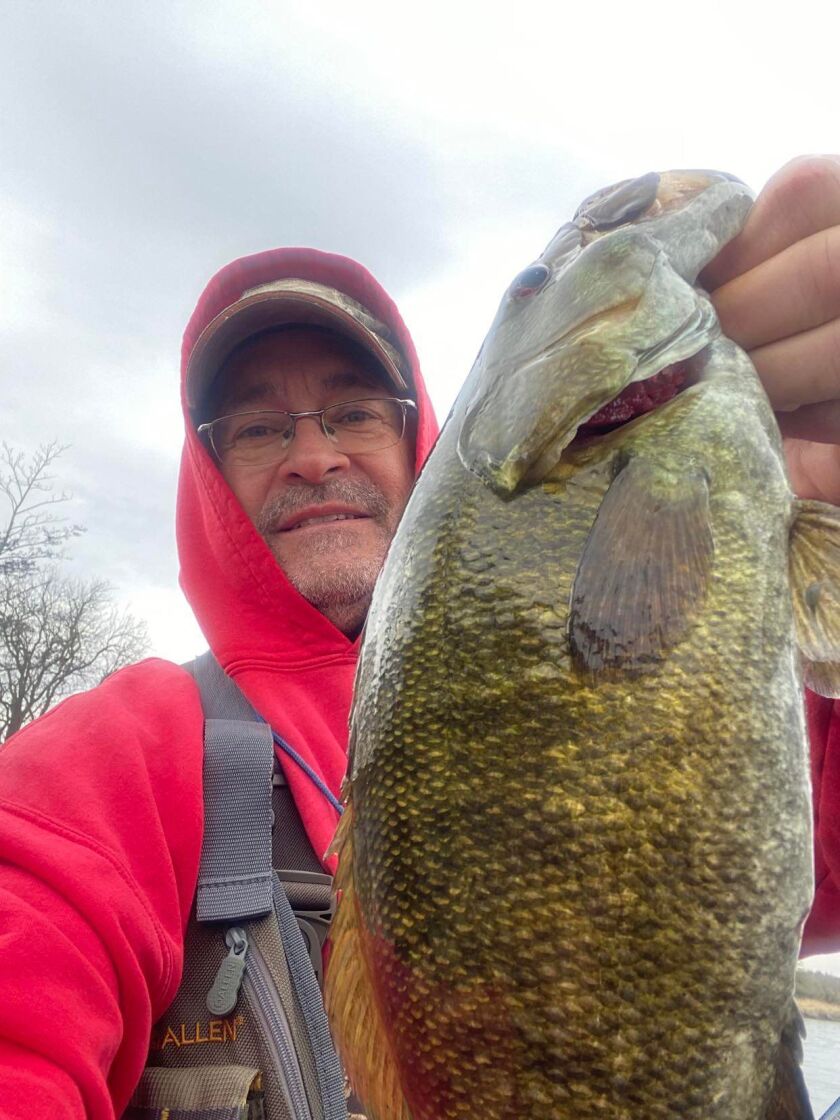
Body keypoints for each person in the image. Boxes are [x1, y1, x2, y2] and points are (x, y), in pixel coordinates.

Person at [1, 156, 839, 1119]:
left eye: (353, 412)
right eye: (261, 430)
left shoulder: (738, 662)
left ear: (420, 441)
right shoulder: (109, 768)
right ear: (210, 477)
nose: (313, 456)